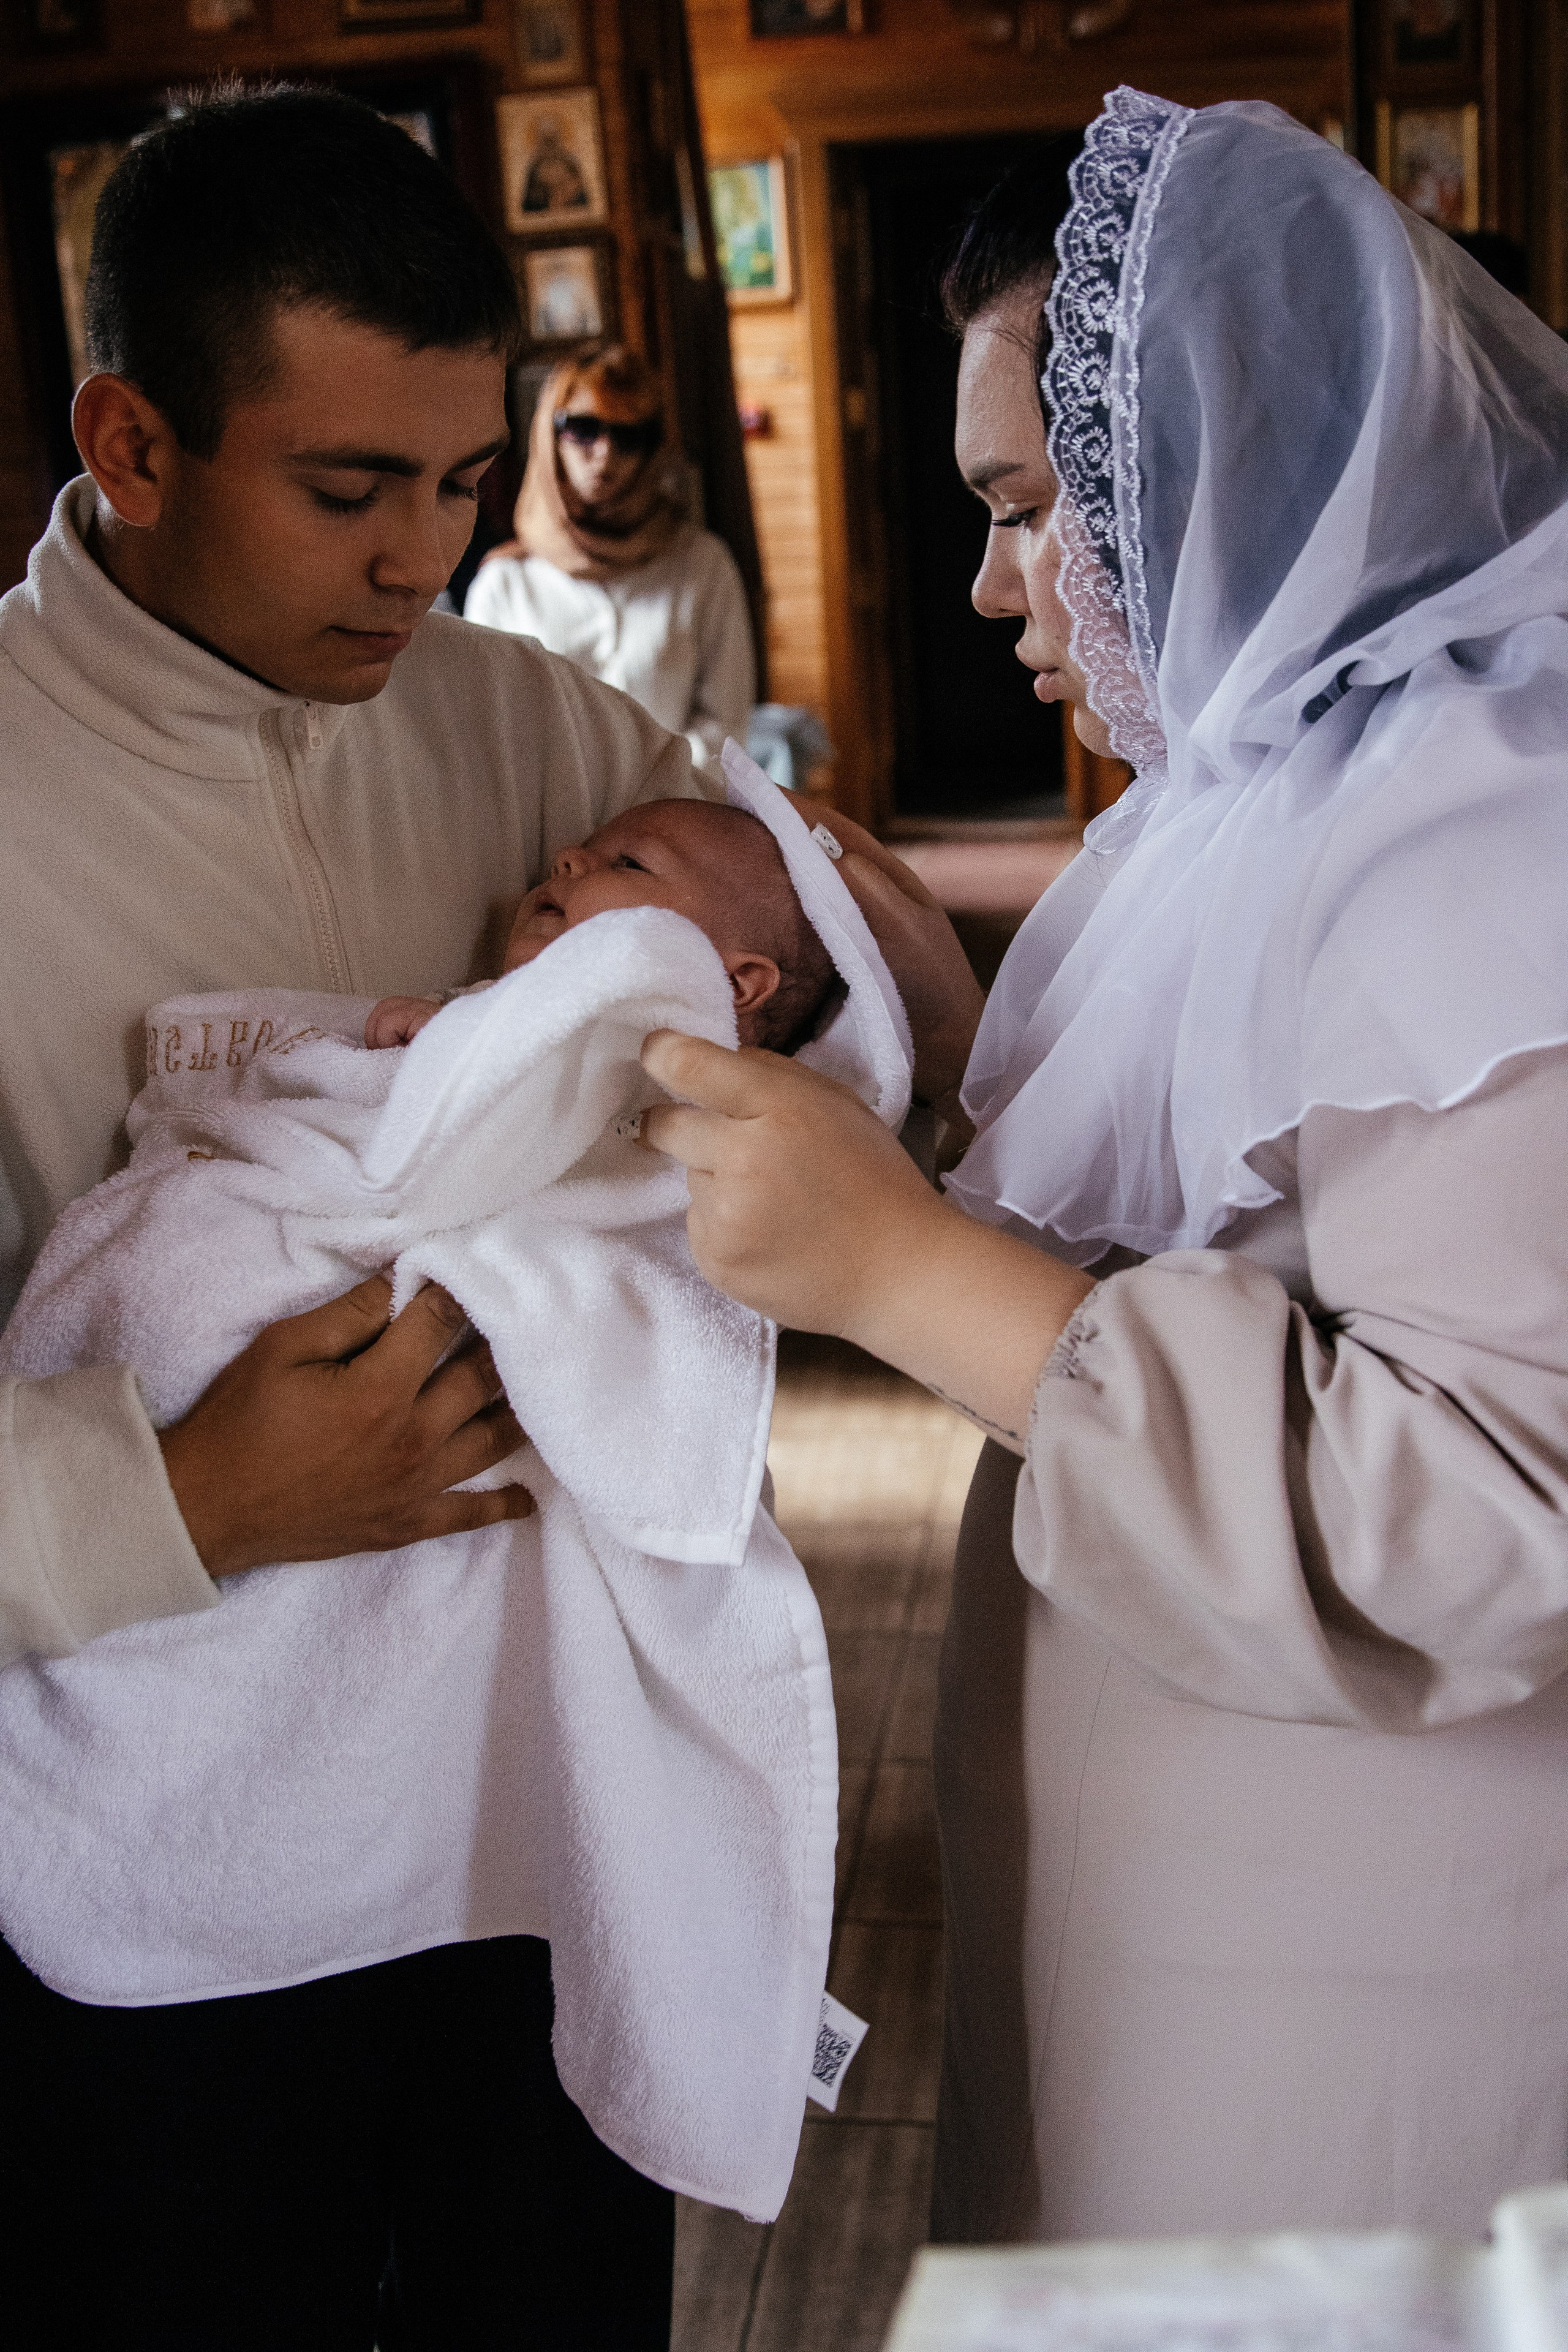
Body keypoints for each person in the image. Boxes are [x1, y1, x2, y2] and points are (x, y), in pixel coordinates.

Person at [639, 89, 1568, 2244]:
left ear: (1232, 455)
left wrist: (903, 1278)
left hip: (1370, 1958)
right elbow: (1259, 1216)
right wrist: (970, 1079)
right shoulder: (1242, 785)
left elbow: (1504, 1505)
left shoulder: (1486, 832)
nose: (987, 581)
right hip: (1193, 1874)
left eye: (1034, 502)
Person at [0, 83, 714, 2347]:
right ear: (129, 439)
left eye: (463, 483)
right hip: (160, 1846)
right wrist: (186, 1488)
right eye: (347, 492)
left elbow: (822, 961)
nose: (426, 560)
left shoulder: (531, 726)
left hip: (525, 1812)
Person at [465, 346, 755, 777]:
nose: (604, 453)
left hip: (675, 816)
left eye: (630, 437)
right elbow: (487, 737)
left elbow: (725, 730)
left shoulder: (701, 566)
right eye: (583, 429)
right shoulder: (505, 584)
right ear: (549, 433)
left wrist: (640, 791)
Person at [367, 796, 839, 1050]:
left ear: (733, 984)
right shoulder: (479, 1008)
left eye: (629, 864)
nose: (566, 859)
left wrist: (458, 1046)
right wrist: (441, 1030)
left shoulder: (706, 1073)